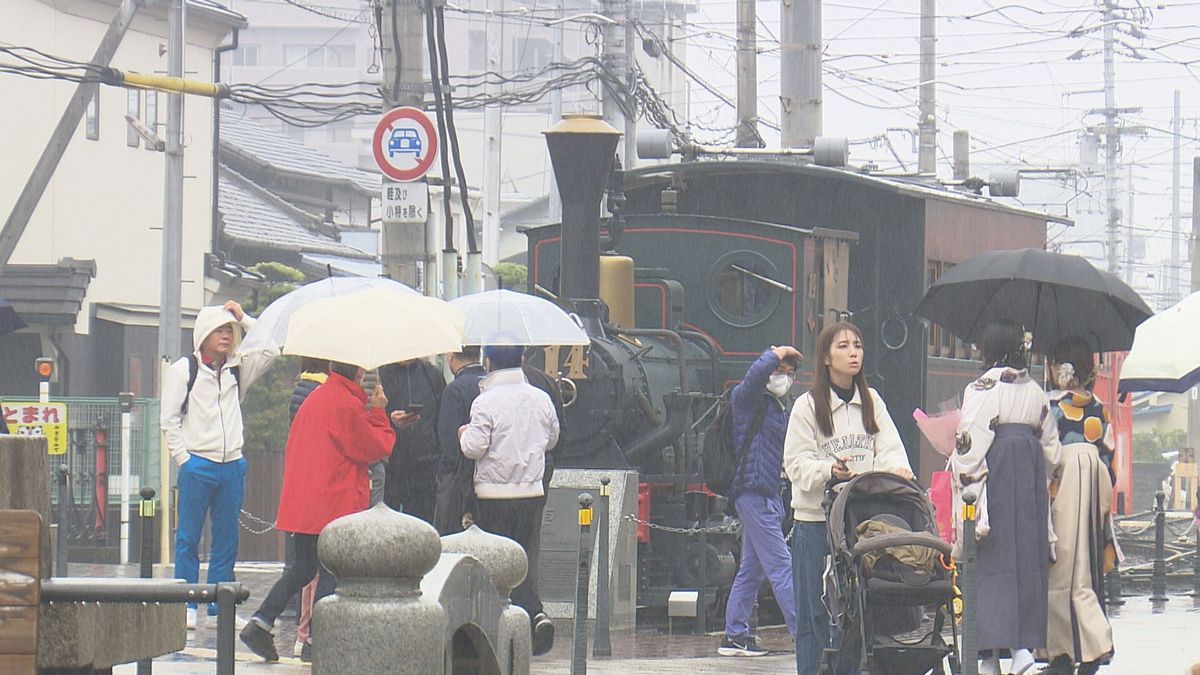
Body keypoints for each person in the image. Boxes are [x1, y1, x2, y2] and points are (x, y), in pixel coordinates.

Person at [239, 360, 395, 662]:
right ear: (359, 373)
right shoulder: (345, 404)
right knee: (332, 571)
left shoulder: (318, 397)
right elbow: (375, 447)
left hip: (306, 499)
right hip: (333, 501)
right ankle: (316, 640)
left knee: (304, 567)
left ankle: (261, 620)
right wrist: (378, 411)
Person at [783, 322, 913, 675]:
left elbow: (891, 451)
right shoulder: (806, 407)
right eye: (843, 346)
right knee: (814, 613)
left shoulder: (873, 403)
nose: (853, 352)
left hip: (860, 524)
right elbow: (795, 463)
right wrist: (829, 470)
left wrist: (898, 471)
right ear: (826, 357)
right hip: (815, 523)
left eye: (858, 345)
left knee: (854, 612)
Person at [951, 321, 1060, 675]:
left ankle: (987, 655)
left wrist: (961, 470)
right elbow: (1052, 451)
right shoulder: (1034, 389)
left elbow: (969, 442)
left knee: (990, 562)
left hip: (995, 473)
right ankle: (1023, 648)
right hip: (1028, 476)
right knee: (1026, 559)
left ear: (987, 348)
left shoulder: (983, 386)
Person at [161, 300, 274, 630]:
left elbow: (270, 351)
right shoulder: (185, 370)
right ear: (203, 334)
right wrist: (185, 461)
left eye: (230, 331)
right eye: (219, 330)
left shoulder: (239, 368)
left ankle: (219, 606)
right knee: (189, 538)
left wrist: (245, 318)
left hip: (232, 464)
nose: (226, 336)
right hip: (198, 464)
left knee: (227, 540)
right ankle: (188, 603)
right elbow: (169, 421)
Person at [459, 343, 559, 656]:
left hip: (493, 493)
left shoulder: (484, 401)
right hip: (531, 490)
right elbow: (552, 438)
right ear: (522, 360)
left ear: (487, 362)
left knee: (496, 560)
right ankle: (534, 614)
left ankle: (498, 625)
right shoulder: (541, 398)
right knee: (524, 554)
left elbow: (473, 448)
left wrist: (463, 432)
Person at [719, 345, 802, 658]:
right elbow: (754, 376)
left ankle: (735, 635)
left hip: (768, 494)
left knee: (752, 570)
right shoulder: (747, 399)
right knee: (782, 565)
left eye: (790, 374)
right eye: (780, 372)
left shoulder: (776, 408)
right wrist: (775, 353)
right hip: (752, 491)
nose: (784, 378)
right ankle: (804, 632)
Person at [1041, 336, 1116, 675]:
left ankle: (1070, 651)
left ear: (1060, 370)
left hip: (1064, 480)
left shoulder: (1052, 406)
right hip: (1094, 481)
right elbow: (1108, 453)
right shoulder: (1098, 407)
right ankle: (1087, 646)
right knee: (1083, 570)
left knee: (1060, 567)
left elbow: (1045, 452)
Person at [287, 357, 328, 663]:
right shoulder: (319, 393)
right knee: (315, 569)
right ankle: (309, 635)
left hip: (305, 489)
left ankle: (304, 634)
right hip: (321, 490)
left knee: (306, 568)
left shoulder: (303, 388)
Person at [379, 357, 446, 522]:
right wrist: (389, 419)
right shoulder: (382, 374)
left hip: (425, 467)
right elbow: (371, 414)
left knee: (421, 527)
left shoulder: (432, 375)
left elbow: (441, 418)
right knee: (388, 527)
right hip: (392, 466)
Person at [434, 346, 487, 535]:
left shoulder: (455, 390)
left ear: (450, 357)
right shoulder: (490, 385)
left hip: (459, 481)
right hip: (488, 478)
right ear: (479, 355)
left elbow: (449, 444)